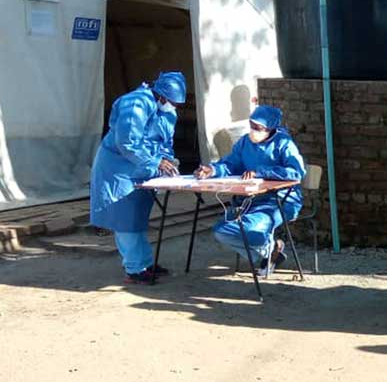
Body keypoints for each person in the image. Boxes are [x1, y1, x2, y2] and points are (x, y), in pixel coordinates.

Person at [89, 72, 187, 284]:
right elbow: (127, 142)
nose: (174, 107)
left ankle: (145, 263)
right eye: (172, 102)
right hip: (118, 169)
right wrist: (155, 163)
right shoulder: (135, 104)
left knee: (137, 219)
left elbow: (165, 141)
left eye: (178, 104)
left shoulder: (168, 111)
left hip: (142, 169)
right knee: (124, 220)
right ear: (160, 96)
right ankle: (134, 270)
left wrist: (168, 161)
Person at [195, 105, 306, 277]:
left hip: (281, 201)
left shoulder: (284, 143)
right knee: (222, 230)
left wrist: (261, 172)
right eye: (251, 125)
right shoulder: (245, 142)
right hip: (251, 201)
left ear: (270, 129)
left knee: (249, 229)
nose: (253, 130)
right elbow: (230, 164)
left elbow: (297, 172)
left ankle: (268, 253)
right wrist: (212, 170)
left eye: (258, 128)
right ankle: (270, 252)